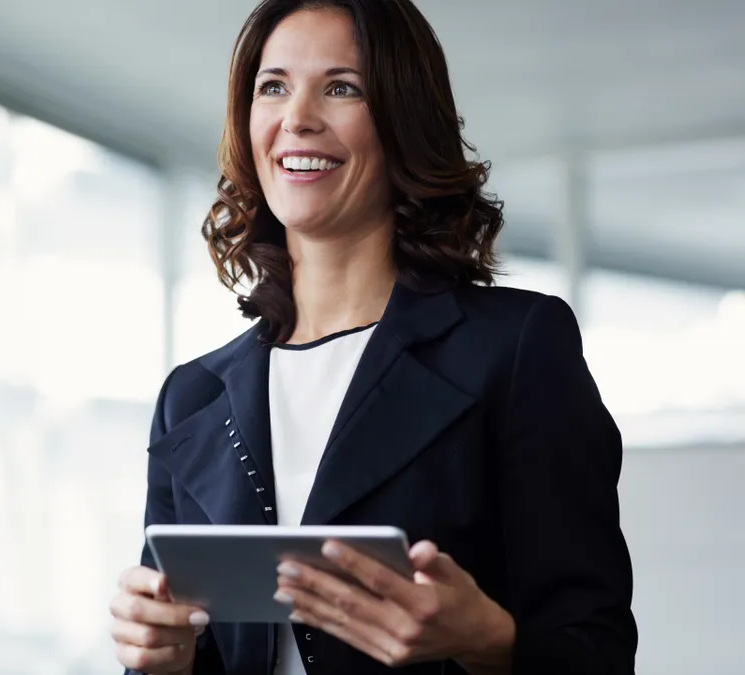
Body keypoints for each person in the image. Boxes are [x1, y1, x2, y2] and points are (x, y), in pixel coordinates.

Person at [109, 0, 637, 674]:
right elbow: (195, 649)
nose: (297, 117)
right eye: (273, 86)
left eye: (341, 87)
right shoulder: (192, 396)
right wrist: (158, 654)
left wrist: (486, 638)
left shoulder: (515, 347)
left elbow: (596, 650)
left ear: (401, 121)